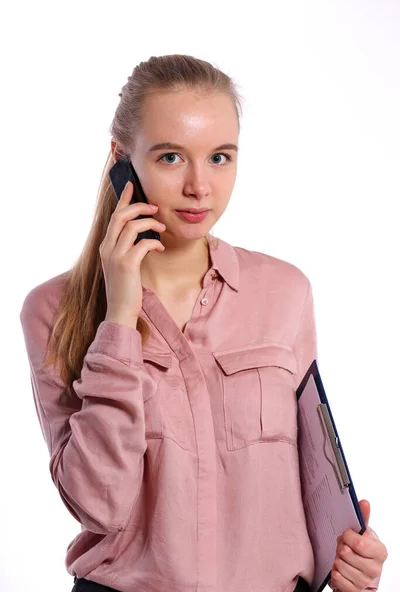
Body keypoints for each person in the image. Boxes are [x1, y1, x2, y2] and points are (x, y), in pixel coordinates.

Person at [19, 54, 386, 592]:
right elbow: (99, 503)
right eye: (171, 157)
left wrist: (348, 557)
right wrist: (119, 317)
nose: (200, 186)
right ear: (123, 160)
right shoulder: (56, 310)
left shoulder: (285, 292)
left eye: (220, 157)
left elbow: (309, 481)